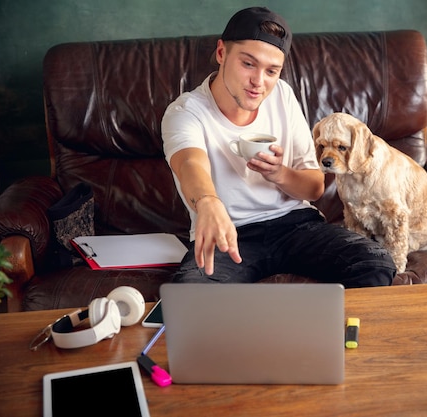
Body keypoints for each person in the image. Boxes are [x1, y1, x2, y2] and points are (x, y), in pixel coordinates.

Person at [161, 6, 396, 287]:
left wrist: (279, 174)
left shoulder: (282, 95)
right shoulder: (185, 111)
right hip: (230, 234)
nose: (258, 82)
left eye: (272, 71)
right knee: (192, 294)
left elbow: (315, 187)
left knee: (374, 262)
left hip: (296, 225)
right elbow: (189, 163)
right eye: (248, 64)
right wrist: (208, 203)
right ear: (222, 53)